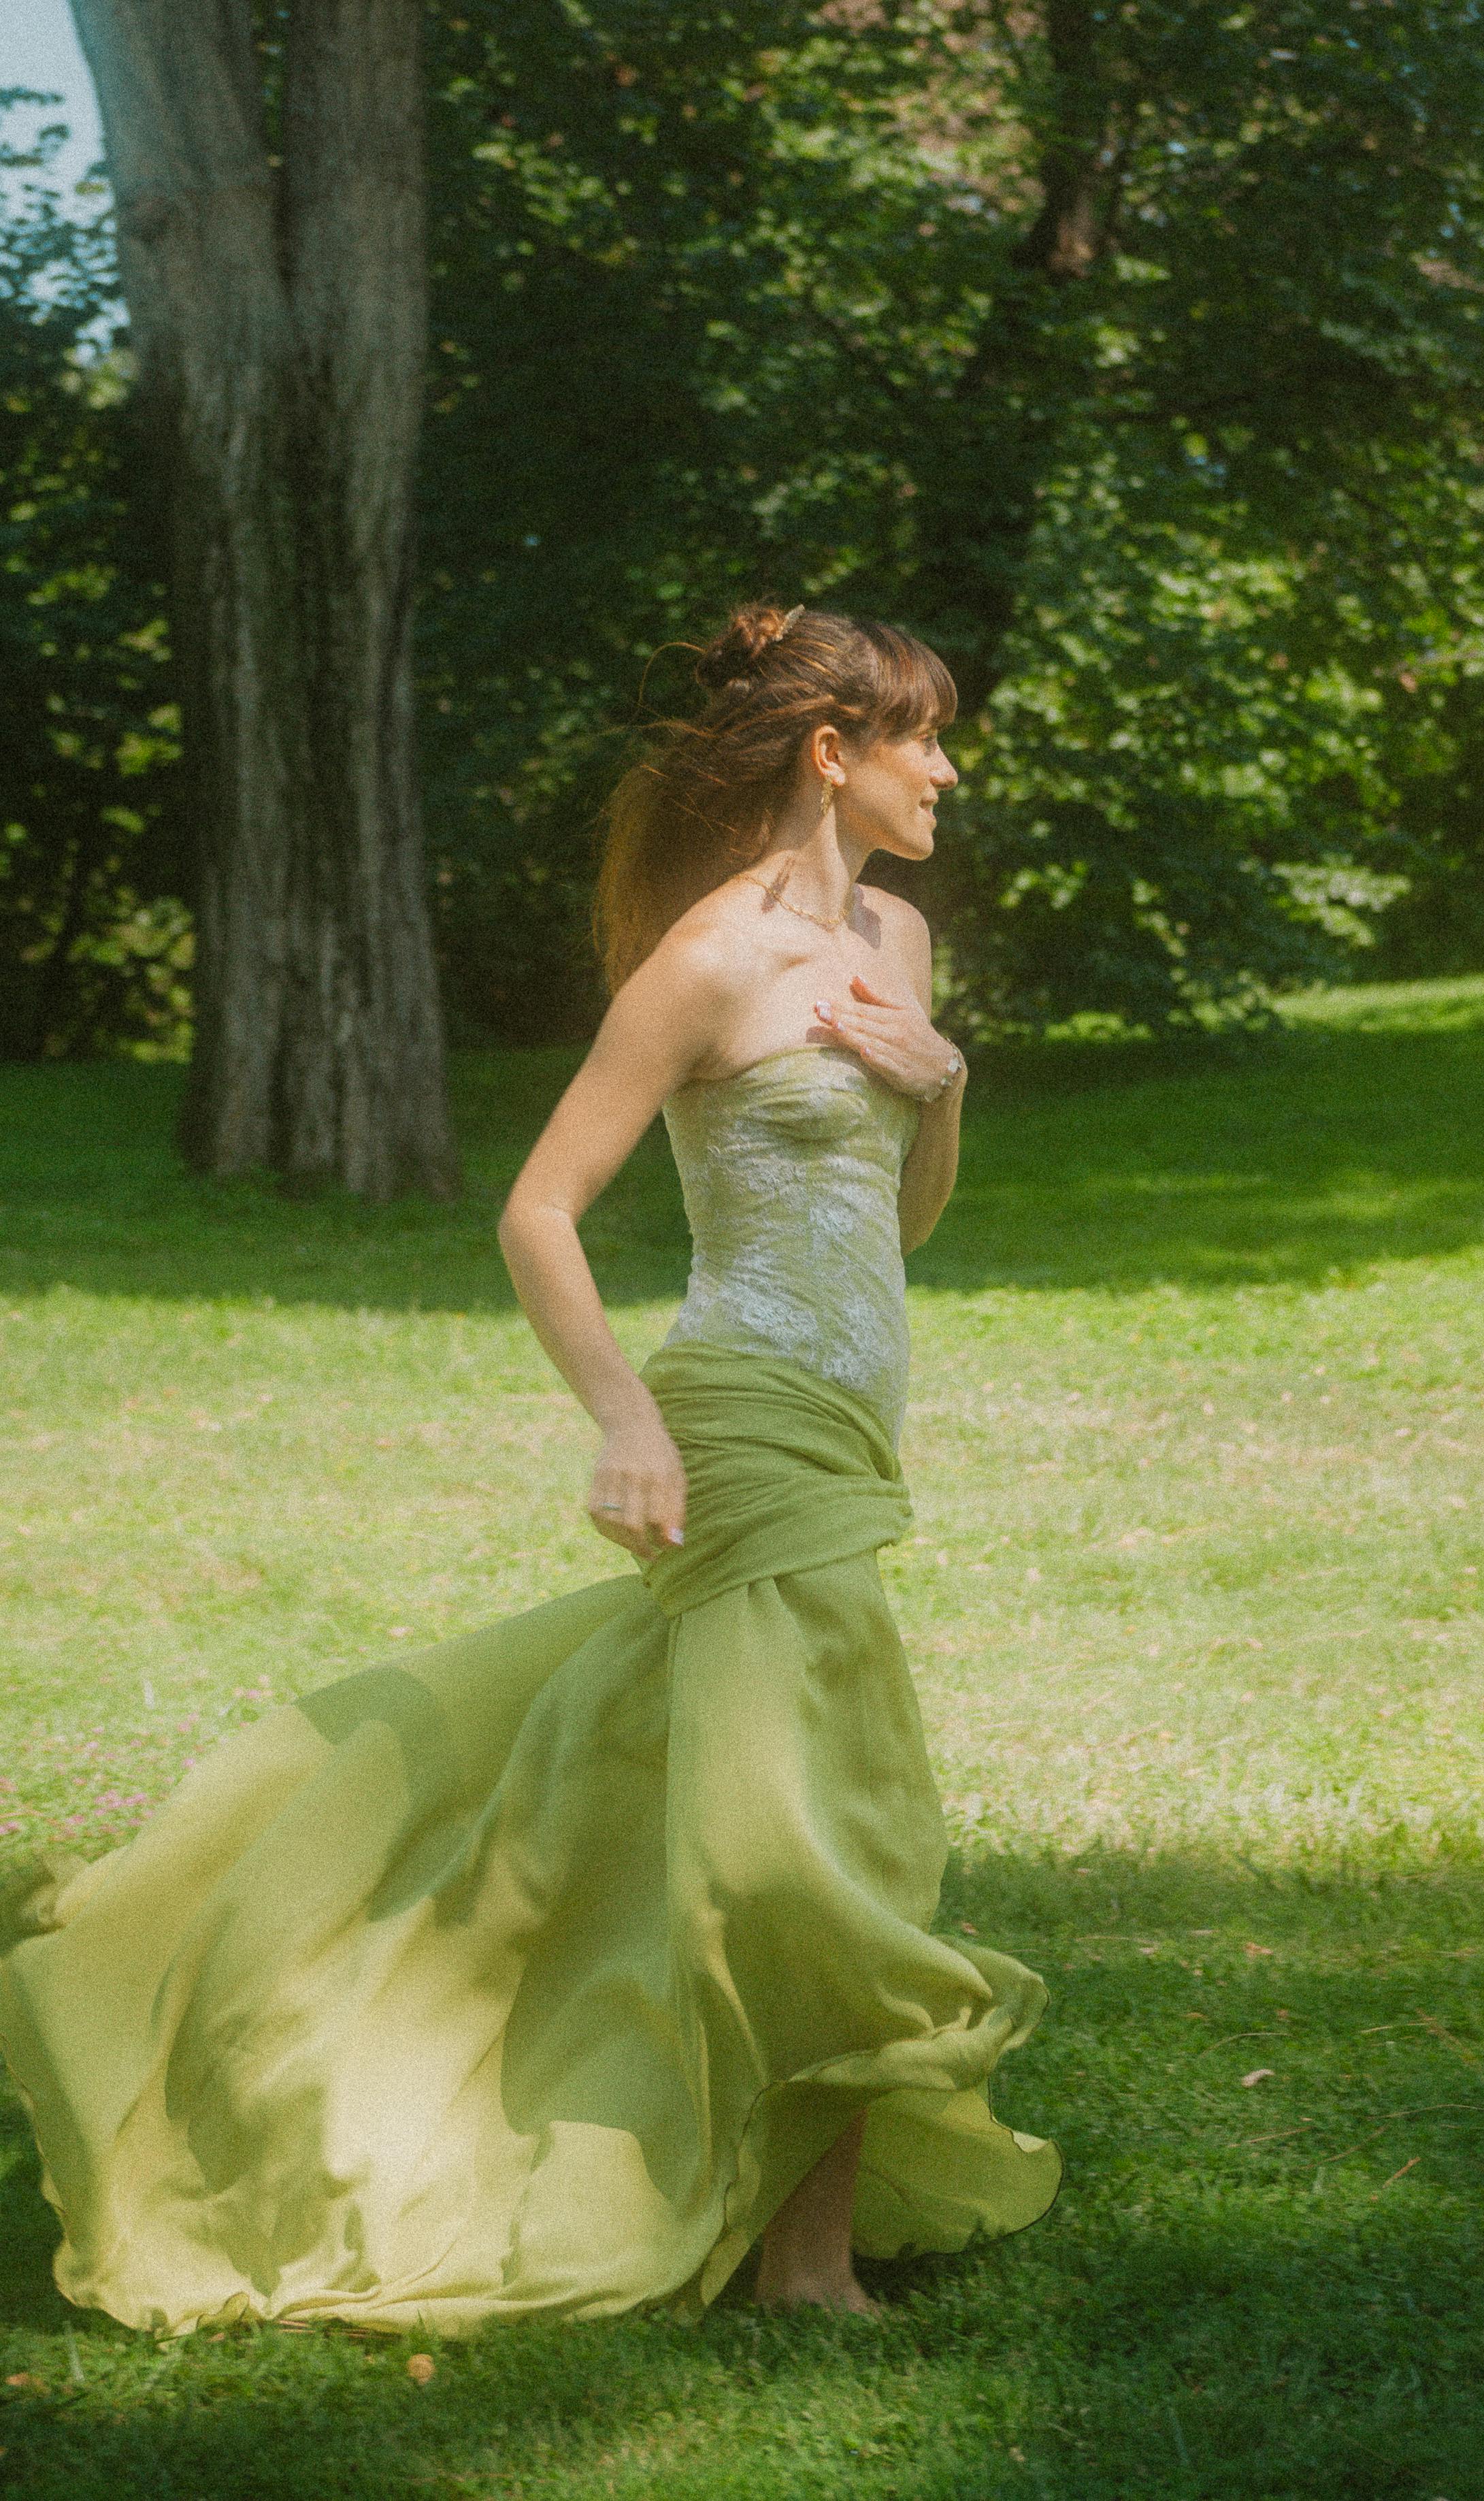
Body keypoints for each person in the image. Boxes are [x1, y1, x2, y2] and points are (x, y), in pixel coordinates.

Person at [0, 603, 1059, 2337]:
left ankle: (749, 2214)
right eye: (921, 736)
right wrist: (627, 1418)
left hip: (857, 1423)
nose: (945, 768)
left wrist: (939, 1091)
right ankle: (803, 2269)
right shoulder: (710, 960)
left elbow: (897, 1223)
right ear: (828, 752)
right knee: (824, 1834)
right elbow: (538, 1208)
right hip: (741, 1415)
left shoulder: (901, 938)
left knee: (746, 1810)